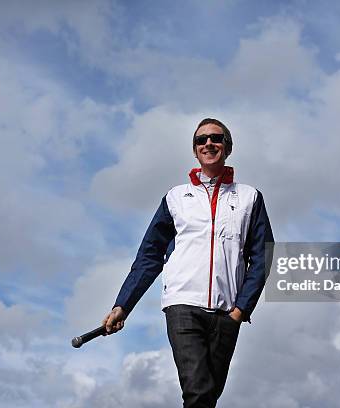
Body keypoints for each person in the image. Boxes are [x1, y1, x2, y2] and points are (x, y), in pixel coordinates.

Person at [102, 118, 273, 407]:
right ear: (195, 151)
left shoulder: (250, 197)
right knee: (198, 391)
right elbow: (149, 256)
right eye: (201, 140)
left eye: (216, 138)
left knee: (207, 397)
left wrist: (240, 310)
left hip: (227, 312)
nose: (208, 143)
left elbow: (263, 257)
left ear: (227, 147)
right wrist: (123, 304)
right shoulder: (175, 197)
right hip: (182, 306)